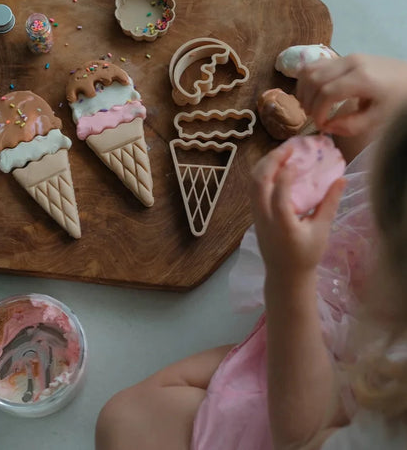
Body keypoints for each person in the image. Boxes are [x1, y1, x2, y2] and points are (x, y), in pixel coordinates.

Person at [95, 54, 407, 450]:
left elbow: (303, 439)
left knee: (128, 421)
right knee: (361, 116)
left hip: (318, 420)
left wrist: (289, 276)